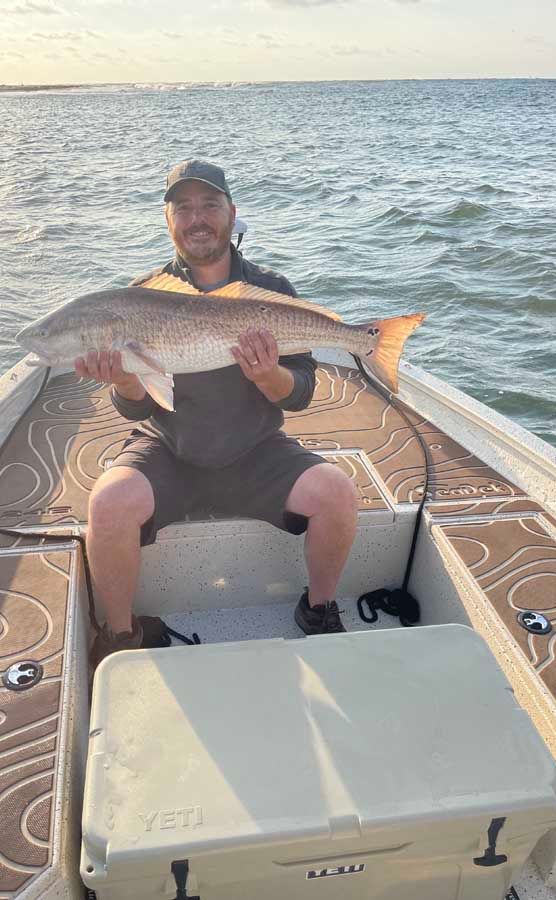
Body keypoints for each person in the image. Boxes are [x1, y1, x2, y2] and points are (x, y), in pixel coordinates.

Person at [78, 160, 358, 670]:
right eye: (182, 207)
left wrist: (267, 375)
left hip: (256, 451)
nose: (197, 218)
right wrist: (123, 381)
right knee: (108, 502)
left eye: (209, 204)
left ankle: (318, 609)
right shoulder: (141, 296)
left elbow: (300, 395)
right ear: (168, 221)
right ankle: (121, 635)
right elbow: (136, 407)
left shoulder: (271, 290)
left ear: (232, 213)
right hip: (170, 449)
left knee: (337, 492)